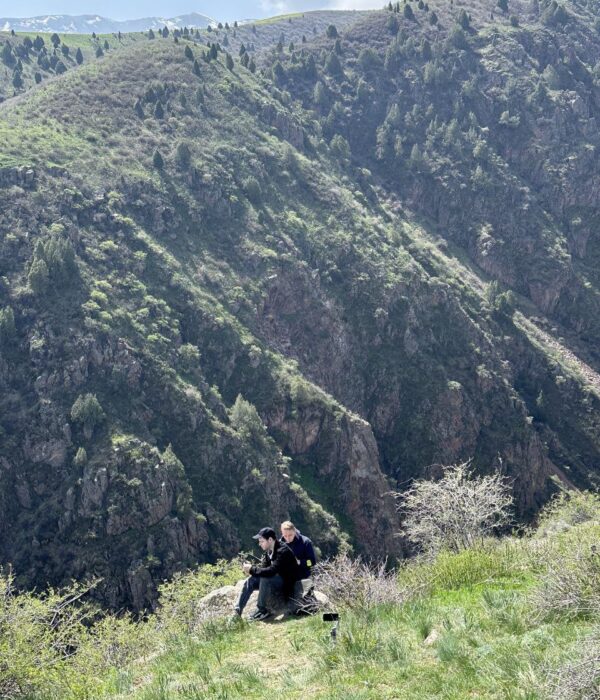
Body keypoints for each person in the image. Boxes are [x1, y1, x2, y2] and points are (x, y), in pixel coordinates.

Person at [233, 527, 299, 621]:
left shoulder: (282, 551)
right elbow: (264, 569)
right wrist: (251, 570)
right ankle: (237, 611)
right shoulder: (269, 552)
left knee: (265, 577)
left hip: (287, 586)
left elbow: (271, 571)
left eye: (262, 541)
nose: (259, 544)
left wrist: (252, 569)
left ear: (270, 540)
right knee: (251, 581)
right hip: (276, 582)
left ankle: (262, 610)